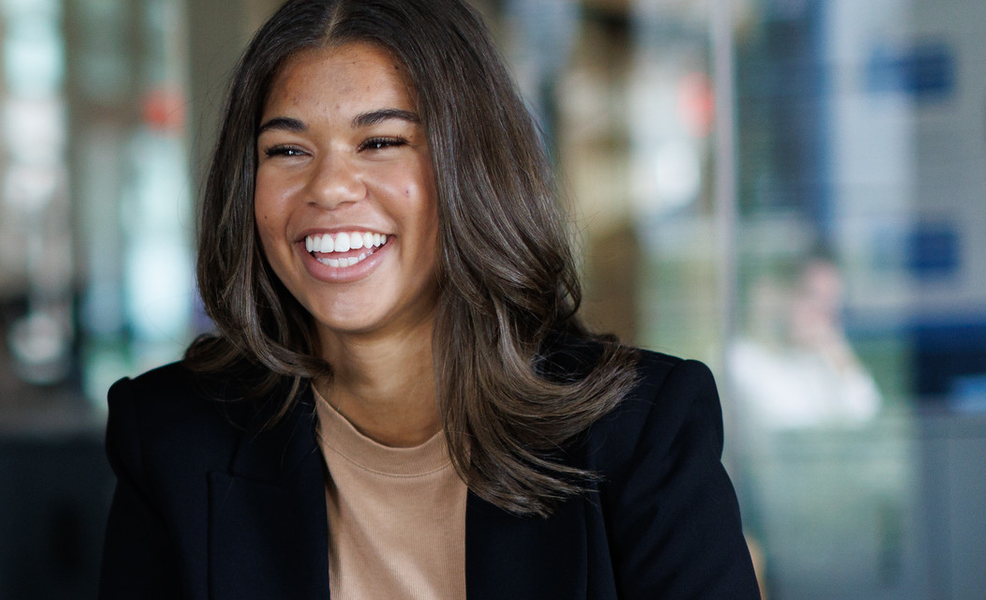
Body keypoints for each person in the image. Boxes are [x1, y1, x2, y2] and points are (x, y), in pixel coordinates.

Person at [95, 0, 761, 598]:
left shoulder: (641, 432)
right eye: (288, 150)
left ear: (472, 166)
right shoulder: (171, 440)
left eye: (381, 142)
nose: (329, 187)